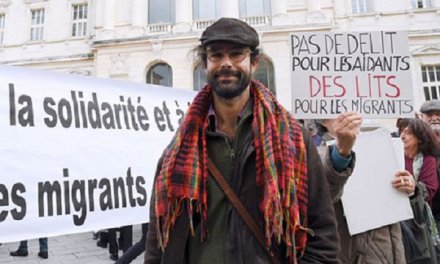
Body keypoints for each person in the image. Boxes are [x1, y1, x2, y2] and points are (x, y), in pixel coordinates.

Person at [145, 17, 339, 264]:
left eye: (236, 54)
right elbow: (157, 240)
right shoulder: (179, 148)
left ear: (254, 62)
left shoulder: (294, 140)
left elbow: (322, 232)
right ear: (205, 64)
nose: (226, 63)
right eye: (216, 55)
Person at [315, 113, 406, 263]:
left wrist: (411, 189)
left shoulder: (383, 145)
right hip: (355, 255)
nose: (348, 116)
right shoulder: (316, 155)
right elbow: (325, 198)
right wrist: (340, 156)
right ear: (323, 121)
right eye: (338, 110)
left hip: (393, 251)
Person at [393, 118, 439, 263]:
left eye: (409, 133)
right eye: (402, 131)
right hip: (395, 215)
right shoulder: (393, 155)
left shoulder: (428, 159)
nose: (403, 136)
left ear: (420, 138)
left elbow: (430, 189)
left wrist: (413, 187)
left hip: (418, 217)